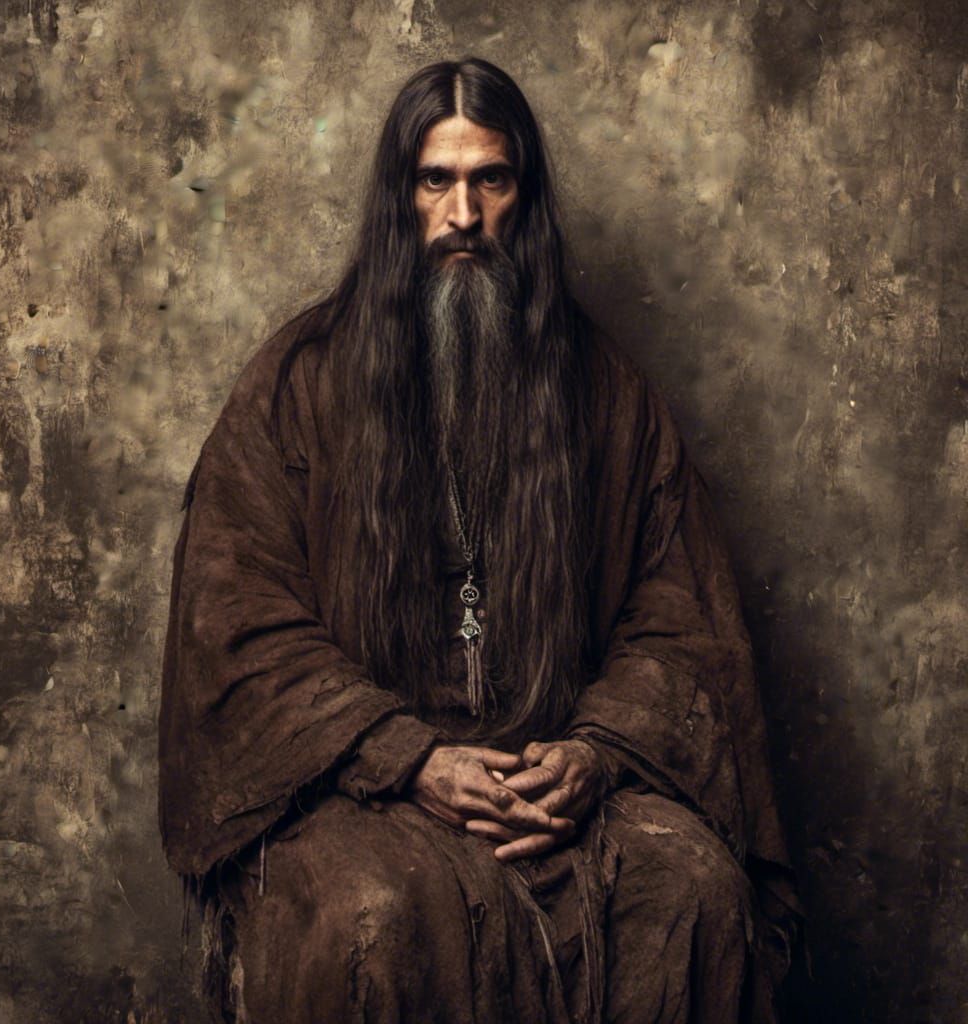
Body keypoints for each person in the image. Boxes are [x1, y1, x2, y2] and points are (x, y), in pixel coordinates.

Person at [158, 57, 801, 1023]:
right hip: (362, 787)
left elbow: (677, 619)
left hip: (553, 776)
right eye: (436, 181)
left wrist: (593, 751)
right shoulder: (300, 383)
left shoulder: (604, 392)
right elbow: (238, 619)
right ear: (400, 198)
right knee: (369, 916)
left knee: (695, 897)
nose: (463, 214)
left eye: (490, 179)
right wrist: (408, 755)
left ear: (522, 198)